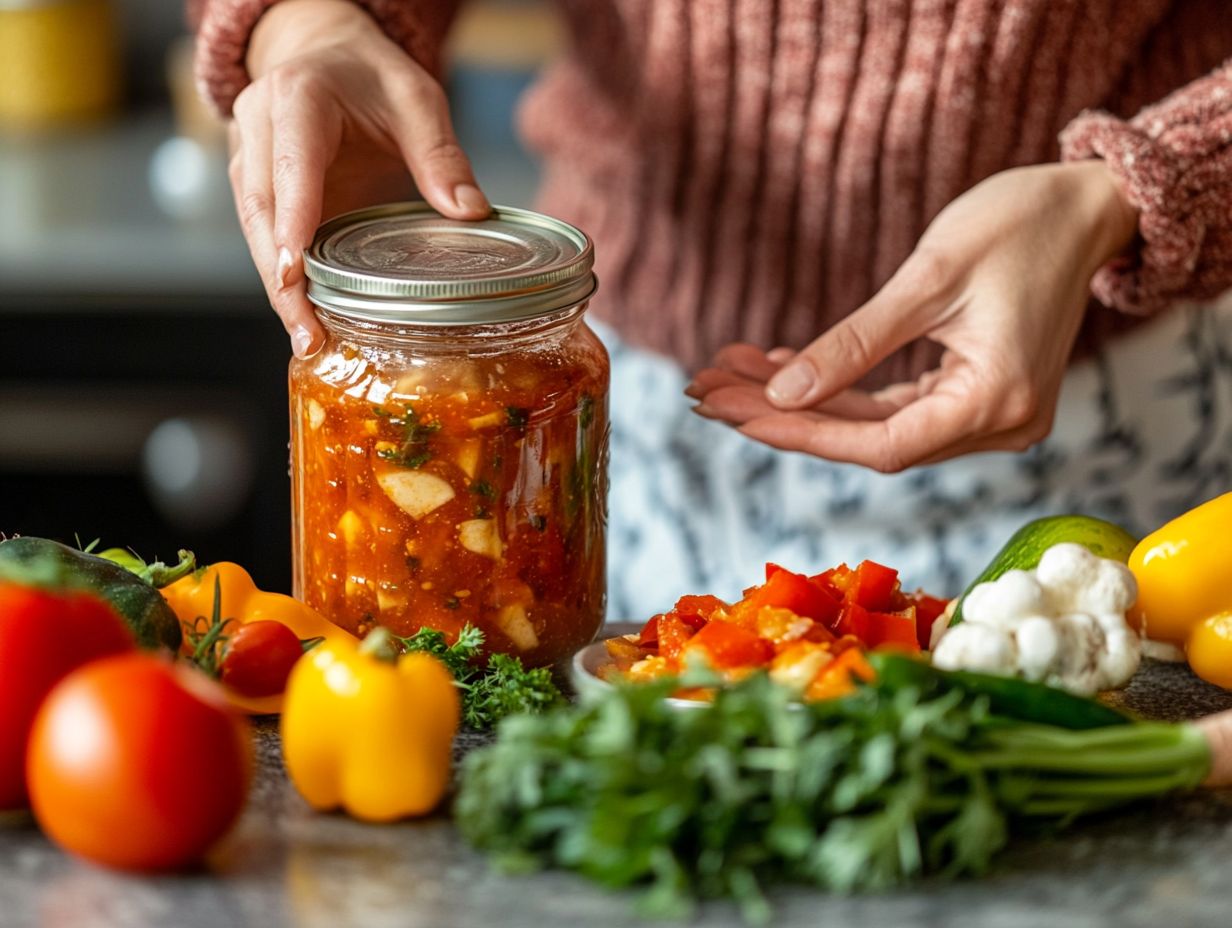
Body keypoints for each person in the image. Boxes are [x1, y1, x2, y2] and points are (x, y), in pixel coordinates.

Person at [194, 0, 1232, 616]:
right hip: (629, 443)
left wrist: (1133, 189)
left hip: (1090, 433)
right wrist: (306, 23)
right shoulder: (562, 385)